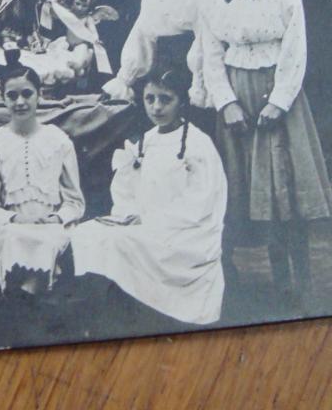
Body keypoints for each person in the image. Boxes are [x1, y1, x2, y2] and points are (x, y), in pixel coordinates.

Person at [196, 0, 332, 305]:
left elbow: (296, 43)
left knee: (286, 188)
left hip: (278, 87)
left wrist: (280, 100)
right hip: (237, 88)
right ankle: (277, 286)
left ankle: (302, 283)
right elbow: (210, 49)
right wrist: (226, 102)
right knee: (251, 192)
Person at [71, 69, 226, 325]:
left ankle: (138, 310)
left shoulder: (197, 144)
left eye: (166, 99)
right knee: (86, 233)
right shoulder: (144, 142)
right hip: (144, 222)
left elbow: (203, 201)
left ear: (182, 102)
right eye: (149, 99)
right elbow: (126, 191)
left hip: (186, 231)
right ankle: (103, 312)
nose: (156, 107)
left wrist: (152, 219)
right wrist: (129, 214)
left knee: (120, 242)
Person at [0, 49, 85, 296]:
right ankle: (25, 294)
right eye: (12, 96)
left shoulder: (59, 141)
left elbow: (75, 201)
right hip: (12, 225)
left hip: (51, 225)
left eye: (27, 94)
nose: (20, 102)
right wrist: (15, 218)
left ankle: (23, 296)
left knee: (46, 240)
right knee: (16, 238)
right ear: (2, 99)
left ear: (39, 95)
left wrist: (57, 218)